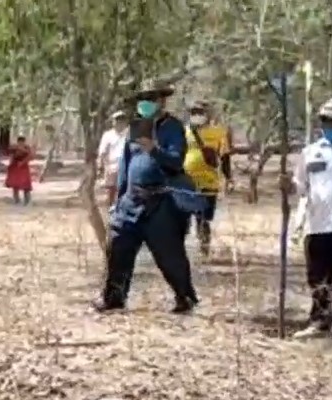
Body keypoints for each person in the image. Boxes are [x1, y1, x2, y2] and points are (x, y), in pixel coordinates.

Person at [95, 81, 201, 314]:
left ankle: (185, 297)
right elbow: (126, 164)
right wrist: (119, 199)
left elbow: (175, 162)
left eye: (151, 99)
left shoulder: (173, 128)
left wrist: (153, 148)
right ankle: (113, 298)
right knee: (119, 247)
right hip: (130, 201)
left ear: (161, 101)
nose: (146, 104)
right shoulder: (135, 127)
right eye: (143, 99)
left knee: (169, 254)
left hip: (160, 202)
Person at [281, 98, 332, 339]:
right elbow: (300, 187)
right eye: (326, 120)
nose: (329, 125)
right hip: (318, 225)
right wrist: (287, 185)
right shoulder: (311, 153)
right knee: (318, 277)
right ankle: (320, 322)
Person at [184, 101, 232, 257]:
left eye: (200, 112)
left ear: (207, 114)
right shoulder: (183, 132)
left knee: (204, 216)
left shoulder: (218, 133)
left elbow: (224, 157)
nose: (197, 115)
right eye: (194, 112)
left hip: (209, 182)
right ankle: (180, 248)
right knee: (182, 215)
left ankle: (204, 247)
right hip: (185, 181)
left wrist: (228, 177)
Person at [96, 111, 128, 208]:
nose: (119, 122)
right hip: (111, 167)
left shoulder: (129, 134)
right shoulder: (108, 135)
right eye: (117, 120)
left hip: (126, 166)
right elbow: (102, 152)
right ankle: (110, 210)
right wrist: (100, 166)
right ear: (113, 122)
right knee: (111, 191)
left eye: (122, 120)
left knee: (124, 190)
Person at [4, 135, 34, 205]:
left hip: (24, 167)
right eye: (19, 142)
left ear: (24, 142)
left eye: (22, 142)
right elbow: (10, 154)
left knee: (26, 185)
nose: (21, 143)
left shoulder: (27, 148)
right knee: (15, 184)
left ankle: (27, 200)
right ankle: (16, 200)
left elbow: (31, 156)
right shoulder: (14, 148)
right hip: (15, 167)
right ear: (18, 142)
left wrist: (23, 162)